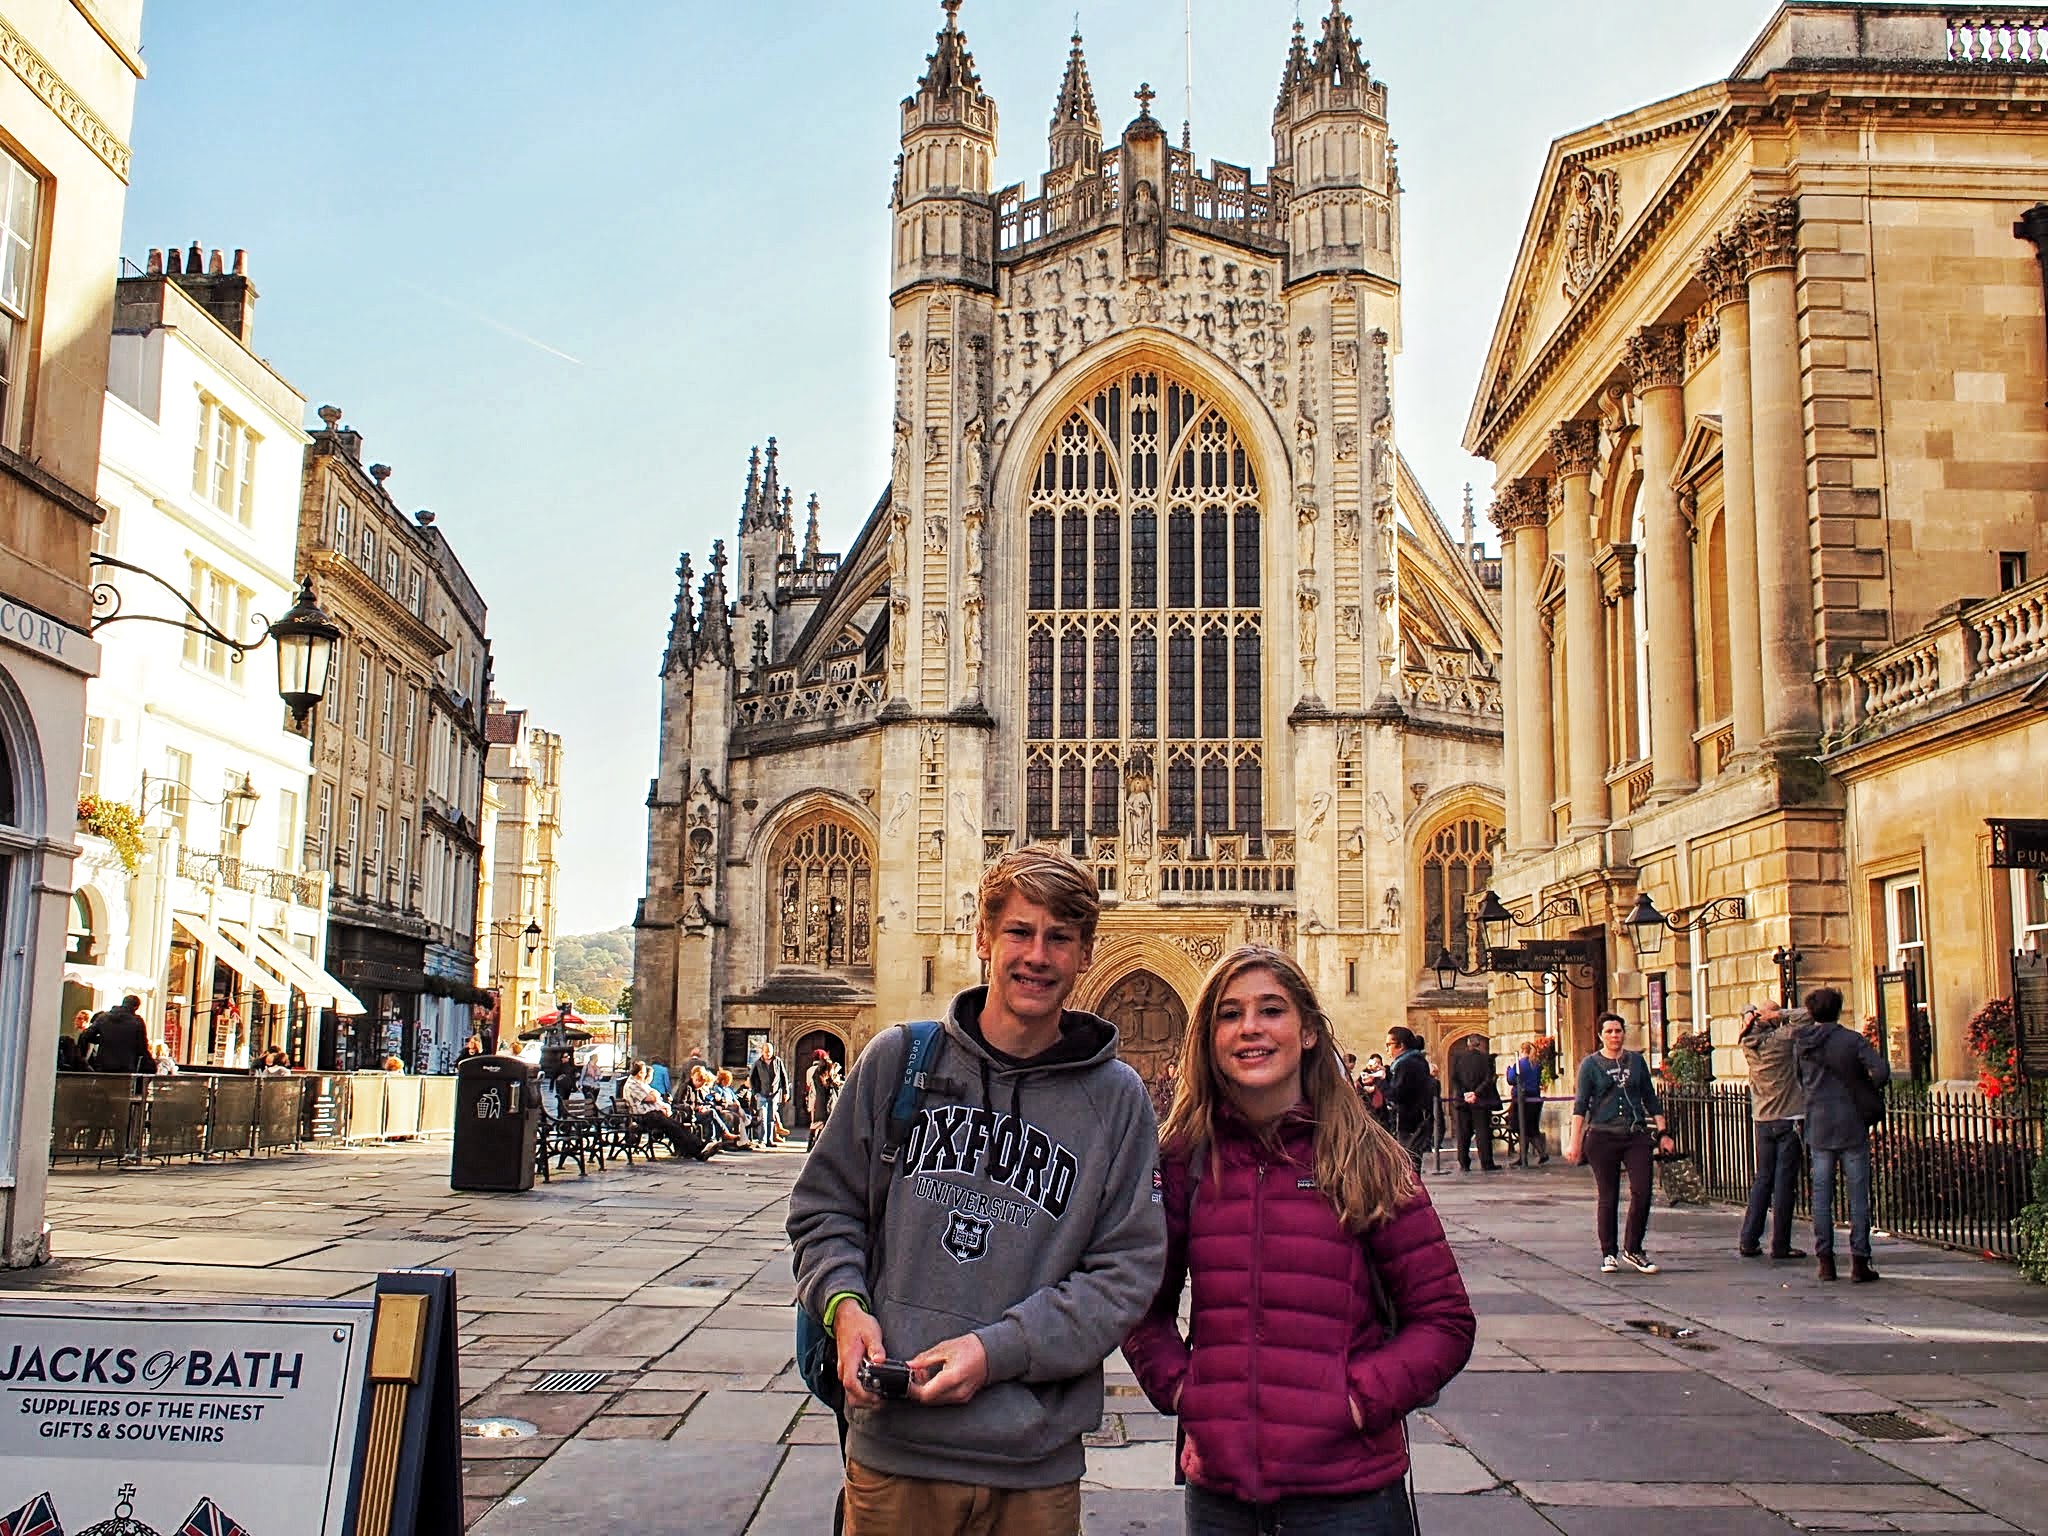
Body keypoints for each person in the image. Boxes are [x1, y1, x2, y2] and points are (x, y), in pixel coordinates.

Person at [788, 846, 1166, 1535]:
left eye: (1060, 938)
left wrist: (998, 1352)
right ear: (983, 938)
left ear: (1086, 954)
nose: (1037, 956)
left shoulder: (1117, 1101)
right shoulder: (899, 1060)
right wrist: (845, 1310)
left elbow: (1125, 1272)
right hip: (895, 1451)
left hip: (1034, 1465)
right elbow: (825, 1211)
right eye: (1020, 932)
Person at [1124, 946, 1475, 1533]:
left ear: (1309, 1030)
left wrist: (1356, 1401)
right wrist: (1187, 1392)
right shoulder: (1185, 1160)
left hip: (1350, 1495)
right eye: (1229, 1014)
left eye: (1271, 1010)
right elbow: (1138, 1303)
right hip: (1223, 1496)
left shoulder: (1366, 1158)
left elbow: (1444, 1321)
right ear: (1207, 1038)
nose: (1250, 1029)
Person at [1566, 1012, 1674, 1275]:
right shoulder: (1590, 1065)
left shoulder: (1636, 1062)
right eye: (1609, 1032)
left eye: (1618, 1031)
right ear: (1601, 1035)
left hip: (1635, 1134)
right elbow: (1581, 1105)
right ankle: (1608, 1252)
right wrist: (1574, 1141)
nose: (1615, 1036)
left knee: (1642, 1191)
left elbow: (1650, 1098)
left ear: (1624, 1033)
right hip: (1602, 1136)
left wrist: (1663, 1132)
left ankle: (1633, 1249)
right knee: (1609, 1195)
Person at [1794, 987, 1890, 1283]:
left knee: (1822, 1195)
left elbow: (1800, 1080)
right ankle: (1860, 1261)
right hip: (1850, 1121)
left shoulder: (1803, 1042)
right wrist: (1864, 1087)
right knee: (1858, 1193)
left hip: (1819, 1122)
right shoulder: (1852, 1040)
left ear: (1811, 1012)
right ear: (1839, 1009)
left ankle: (1825, 1261)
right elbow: (1882, 1070)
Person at [1738, 999, 1807, 1262]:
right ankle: (1781, 1244)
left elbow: (1744, 1011)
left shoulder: (1747, 1042)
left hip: (1762, 1119)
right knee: (1784, 1184)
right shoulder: (1781, 1039)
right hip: (1788, 1118)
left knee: (1762, 1179)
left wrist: (1751, 1014)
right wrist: (1780, 1013)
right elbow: (1809, 1016)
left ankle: (1749, 1239)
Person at [620, 1059, 709, 1159]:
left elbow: (655, 1094)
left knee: (676, 1125)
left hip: (654, 1113)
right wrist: (654, 1096)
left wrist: (656, 1098)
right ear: (640, 1073)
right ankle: (697, 1149)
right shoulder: (632, 1084)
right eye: (644, 1072)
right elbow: (652, 1098)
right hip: (643, 1117)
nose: (645, 1074)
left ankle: (696, 1148)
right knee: (673, 1127)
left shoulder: (641, 1084)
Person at [1447, 1034, 1501, 1173]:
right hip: (1480, 1101)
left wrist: (1465, 1093)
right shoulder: (1486, 1059)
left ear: (1468, 1043)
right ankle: (1486, 1162)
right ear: (1479, 1044)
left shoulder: (1458, 1058)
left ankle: (1464, 1163)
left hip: (1463, 1101)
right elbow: (1488, 1079)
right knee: (1483, 1132)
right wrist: (1476, 1093)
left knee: (1463, 1133)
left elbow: (1455, 1078)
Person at [1382, 1027, 1433, 1172]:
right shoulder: (1412, 1061)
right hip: (1414, 1121)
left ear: (1401, 1045)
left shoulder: (1407, 1064)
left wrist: (1381, 1081)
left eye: (1389, 1045)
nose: (1387, 1049)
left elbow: (1396, 1095)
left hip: (1410, 1123)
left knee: (1408, 1167)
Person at [79, 995, 151, 1074]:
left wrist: (103, 1040)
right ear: (136, 1007)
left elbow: (86, 1035)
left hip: (103, 1063)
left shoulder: (103, 1017)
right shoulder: (137, 1022)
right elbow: (142, 1046)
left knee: (103, 1085)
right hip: (126, 1065)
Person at [1505, 1042, 1548, 1166]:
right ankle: (1526, 1156)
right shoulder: (1536, 1064)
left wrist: (1509, 1070)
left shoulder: (1520, 1064)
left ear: (1523, 1050)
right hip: (1534, 1099)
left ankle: (1537, 1154)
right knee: (1531, 1128)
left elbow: (1511, 1079)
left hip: (1522, 1100)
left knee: (1522, 1128)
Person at [750, 1041, 791, 1149]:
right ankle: (762, 1140)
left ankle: (769, 1140)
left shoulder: (777, 1061)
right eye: (766, 1051)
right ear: (762, 1052)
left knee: (771, 1118)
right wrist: (755, 1093)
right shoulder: (757, 1063)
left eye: (770, 1051)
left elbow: (783, 1077)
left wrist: (786, 1092)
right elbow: (752, 1079)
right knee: (762, 1117)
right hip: (762, 1093)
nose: (768, 1054)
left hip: (774, 1093)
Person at [805, 1049, 837, 1148]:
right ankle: (816, 1143)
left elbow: (808, 1084)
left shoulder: (810, 1070)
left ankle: (812, 1143)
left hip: (813, 1097)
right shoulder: (822, 1072)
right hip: (819, 1099)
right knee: (820, 1121)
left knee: (815, 1121)